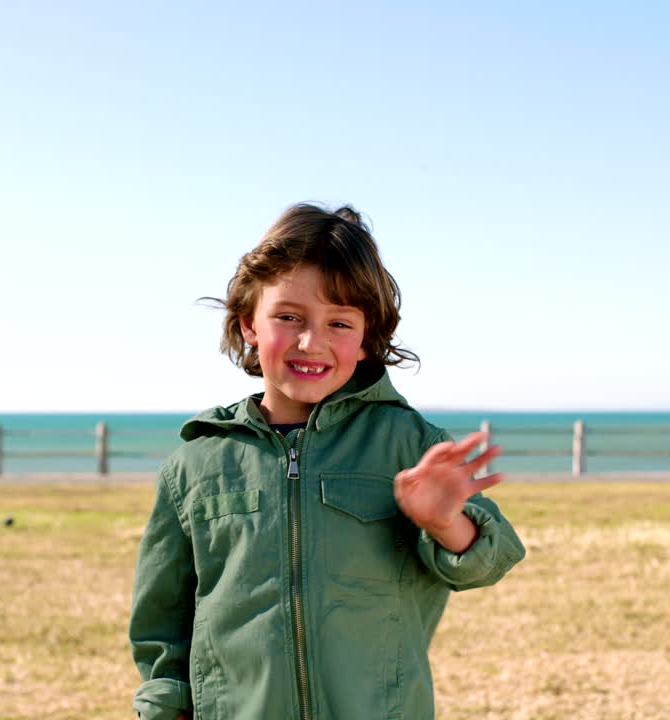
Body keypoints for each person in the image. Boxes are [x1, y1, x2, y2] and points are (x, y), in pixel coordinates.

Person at [129, 203, 526, 720]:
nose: (310, 341)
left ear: (365, 340)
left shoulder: (408, 445)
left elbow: (490, 560)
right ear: (249, 322)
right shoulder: (195, 464)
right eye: (288, 316)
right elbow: (162, 625)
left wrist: (444, 523)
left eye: (339, 322)